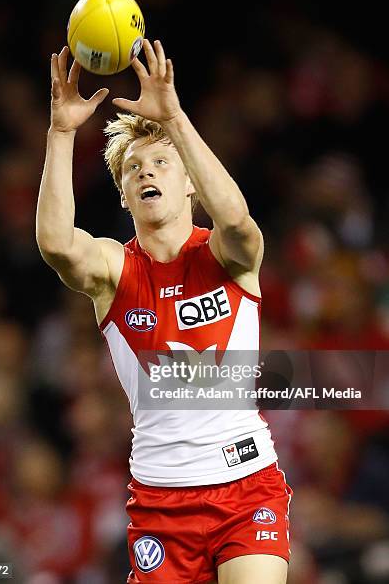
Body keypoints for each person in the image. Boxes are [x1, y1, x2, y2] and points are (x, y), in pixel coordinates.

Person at [36, 38, 293, 584]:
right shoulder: (114, 270)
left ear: (189, 185)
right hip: (161, 501)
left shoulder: (226, 256)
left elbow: (241, 222)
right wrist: (61, 133)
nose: (147, 172)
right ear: (125, 194)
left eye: (161, 162)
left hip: (247, 485)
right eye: (134, 168)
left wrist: (173, 118)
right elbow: (58, 244)